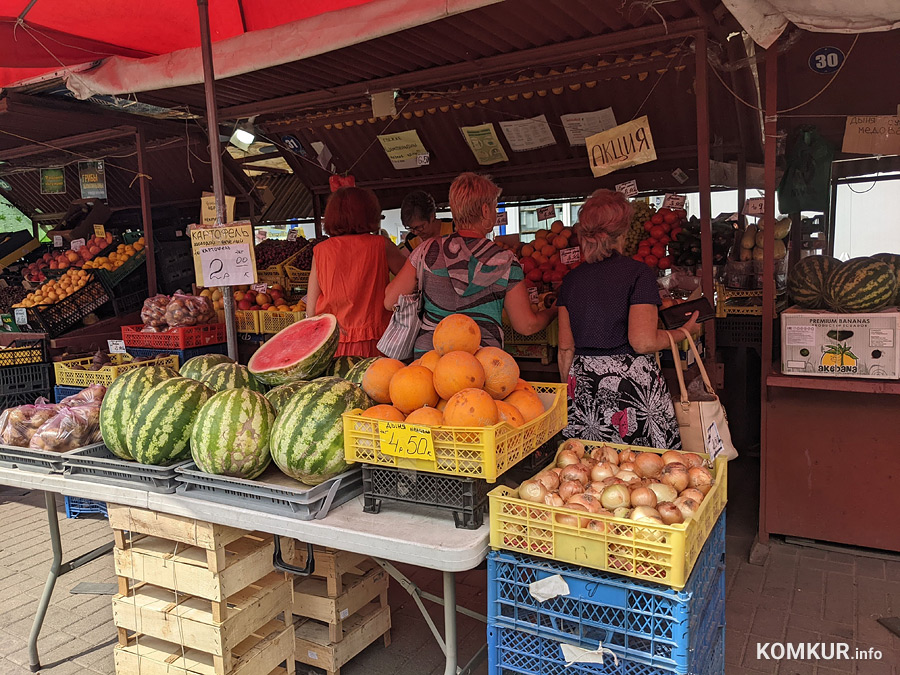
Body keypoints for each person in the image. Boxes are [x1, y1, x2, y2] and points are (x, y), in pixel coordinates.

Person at [557, 189, 698, 449]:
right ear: (622, 232)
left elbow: (566, 348)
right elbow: (642, 342)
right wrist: (684, 332)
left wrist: (575, 393)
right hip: (630, 387)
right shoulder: (638, 274)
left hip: (583, 384)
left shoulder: (570, 281)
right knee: (642, 469)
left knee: (586, 472)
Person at [385, 173, 556, 355]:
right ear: (484, 210)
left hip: (431, 360)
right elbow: (526, 326)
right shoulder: (506, 261)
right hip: (481, 363)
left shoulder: (426, 251)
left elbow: (390, 301)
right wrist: (553, 312)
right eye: (494, 207)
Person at [307, 187, 406, 357]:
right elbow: (413, 278)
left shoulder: (321, 251)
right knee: (375, 383)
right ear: (370, 213)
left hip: (332, 342)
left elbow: (310, 311)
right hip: (377, 341)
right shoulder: (381, 245)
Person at [399, 190, 454, 255]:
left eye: (419, 227)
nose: (416, 233)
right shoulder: (412, 240)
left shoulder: (453, 228)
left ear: (432, 216)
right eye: (411, 228)